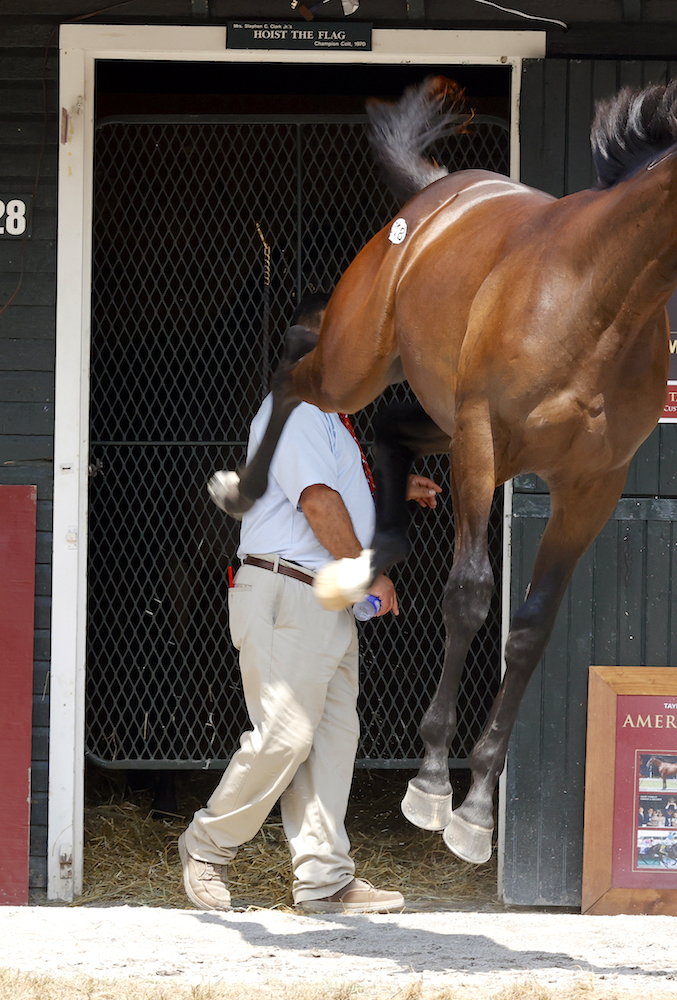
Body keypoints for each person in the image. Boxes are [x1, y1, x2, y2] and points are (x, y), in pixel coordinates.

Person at [178, 297, 443, 914]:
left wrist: (393, 489)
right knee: (287, 733)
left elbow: (336, 489)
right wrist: (365, 572)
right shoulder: (296, 406)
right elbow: (318, 503)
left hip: (317, 602)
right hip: (287, 591)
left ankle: (325, 881)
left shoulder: (330, 420)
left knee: (329, 743)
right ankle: (207, 845)